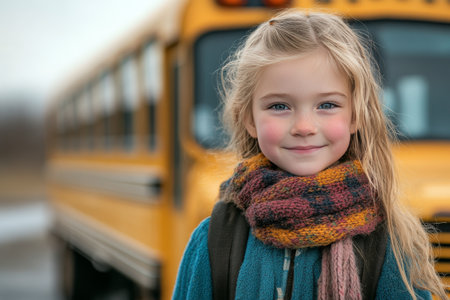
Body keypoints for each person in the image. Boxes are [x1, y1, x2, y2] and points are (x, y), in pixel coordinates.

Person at [173, 9, 447, 300]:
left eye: (327, 105)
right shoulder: (217, 238)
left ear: (356, 115)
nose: (304, 127)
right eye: (279, 106)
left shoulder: (386, 241)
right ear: (249, 120)